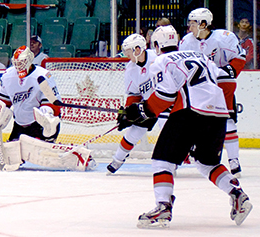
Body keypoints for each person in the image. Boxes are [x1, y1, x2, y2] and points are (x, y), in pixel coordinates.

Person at [127, 25, 252, 228]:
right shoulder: (200, 56)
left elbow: (165, 96)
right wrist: (145, 110)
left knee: (162, 160)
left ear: (157, 45)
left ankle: (163, 206)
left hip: (191, 112)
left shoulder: (161, 61)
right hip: (218, 113)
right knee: (206, 162)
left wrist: (143, 110)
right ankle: (237, 195)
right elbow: (223, 79)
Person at [0, 46, 96, 171]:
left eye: (22, 62)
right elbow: (4, 101)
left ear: (30, 60)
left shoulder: (42, 75)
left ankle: (80, 155)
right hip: (20, 123)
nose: (19, 66)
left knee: (44, 151)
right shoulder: (7, 76)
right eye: (17, 63)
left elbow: (53, 104)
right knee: (10, 154)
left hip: (39, 123)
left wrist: (46, 115)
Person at [179, 8, 245, 177]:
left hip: (222, 84)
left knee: (228, 121)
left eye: (193, 23)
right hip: (200, 86)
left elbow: (240, 57)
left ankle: (234, 160)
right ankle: (192, 151)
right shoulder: (187, 41)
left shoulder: (224, 37)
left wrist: (225, 72)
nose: (189, 27)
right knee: (194, 121)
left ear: (203, 24)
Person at [107, 33, 163, 174]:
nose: (126, 55)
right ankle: (117, 160)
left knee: (168, 130)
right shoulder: (131, 69)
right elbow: (134, 94)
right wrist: (127, 113)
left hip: (166, 103)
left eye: (128, 51)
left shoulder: (158, 59)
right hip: (148, 105)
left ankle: (176, 159)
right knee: (134, 132)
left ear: (138, 50)